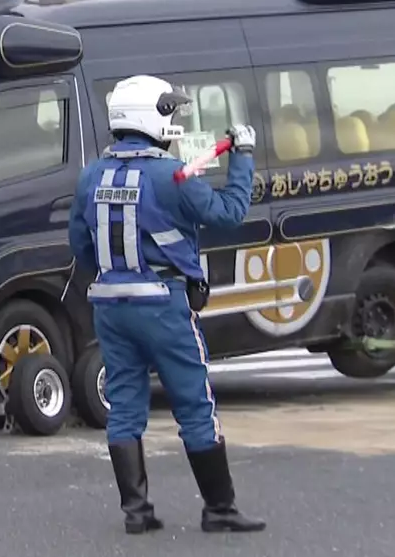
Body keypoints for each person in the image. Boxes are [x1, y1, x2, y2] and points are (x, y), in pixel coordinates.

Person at [67, 74, 265, 534]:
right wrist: (242, 156)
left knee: (124, 404)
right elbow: (229, 213)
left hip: (110, 305)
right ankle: (219, 508)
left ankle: (136, 512)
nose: (174, 119)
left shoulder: (90, 175)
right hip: (163, 303)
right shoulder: (171, 175)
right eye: (169, 110)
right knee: (194, 403)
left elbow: (81, 245)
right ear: (150, 117)